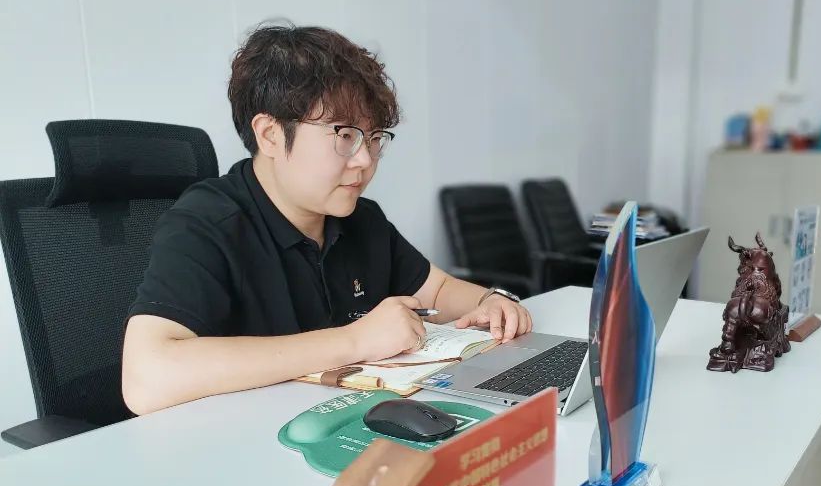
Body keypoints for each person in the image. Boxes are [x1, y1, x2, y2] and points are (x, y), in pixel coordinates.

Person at [122, 24, 532, 415]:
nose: (365, 160)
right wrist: (354, 341)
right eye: (345, 135)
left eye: (374, 138)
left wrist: (490, 301)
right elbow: (146, 379)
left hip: (338, 421)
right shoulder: (207, 223)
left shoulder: (358, 218)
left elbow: (436, 290)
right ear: (269, 134)